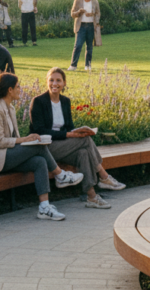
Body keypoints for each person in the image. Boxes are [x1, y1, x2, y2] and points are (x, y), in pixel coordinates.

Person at [0, 73, 84, 221]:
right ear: (9, 90)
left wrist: (26, 141)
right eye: (18, 87)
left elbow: (13, 138)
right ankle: (61, 175)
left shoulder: (10, 108)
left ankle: (44, 207)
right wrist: (25, 140)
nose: (20, 89)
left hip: (7, 155)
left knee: (40, 161)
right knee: (38, 146)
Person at [30, 68, 126, 210]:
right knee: (84, 141)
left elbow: (69, 127)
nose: (54, 83)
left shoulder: (65, 101)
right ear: (47, 82)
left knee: (84, 153)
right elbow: (39, 130)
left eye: (58, 80)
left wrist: (77, 131)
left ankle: (91, 196)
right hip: (45, 147)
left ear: (64, 83)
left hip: (63, 146)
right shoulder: (38, 101)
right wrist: (68, 135)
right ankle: (103, 175)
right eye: (51, 80)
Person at [69, 0, 100, 72]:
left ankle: (88, 65)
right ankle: (73, 65)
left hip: (91, 26)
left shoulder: (95, 2)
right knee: (78, 46)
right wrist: (79, 12)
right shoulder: (78, 1)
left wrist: (93, 16)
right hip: (81, 26)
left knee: (89, 47)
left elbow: (98, 14)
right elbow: (72, 14)